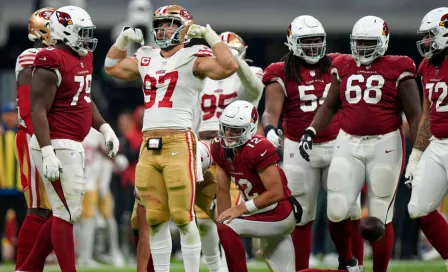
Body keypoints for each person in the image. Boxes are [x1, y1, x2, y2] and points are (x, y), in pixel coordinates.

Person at [104, 4, 238, 271]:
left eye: (171, 24)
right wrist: (123, 39)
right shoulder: (146, 56)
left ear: (185, 29)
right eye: (161, 24)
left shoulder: (194, 55)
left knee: (183, 216)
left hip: (180, 142)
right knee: (155, 219)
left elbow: (229, 65)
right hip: (148, 145)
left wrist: (210, 35)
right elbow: (112, 67)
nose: (163, 29)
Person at [298, 16, 422, 272]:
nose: (363, 48)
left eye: (369, 42)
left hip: (385, 143)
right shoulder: (342, 64)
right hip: (347, 141)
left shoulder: (400, 67)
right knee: (336, 208)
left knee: (379, 216)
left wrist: (419, 151)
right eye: (359, 42)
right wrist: (311, 129)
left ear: (383, 42)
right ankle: (350, 263)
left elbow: (415, 115)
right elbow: (330, 104)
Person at [17, 6, 120, 272]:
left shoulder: (84, 57)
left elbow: (84, 99)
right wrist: (47, 150)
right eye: (81, 33)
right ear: (64, 31)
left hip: (73, 142)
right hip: (57, 142)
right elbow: (37, 108)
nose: (86, 38)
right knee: (67, 213)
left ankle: (27, 268)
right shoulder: (49, 59)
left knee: (65, 210)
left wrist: (105, 127)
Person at [262, 15, 363, 270]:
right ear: (292, 42)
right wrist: (270, 129)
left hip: (338, 143)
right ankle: (301, 269)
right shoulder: (279, 71)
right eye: (307, 42)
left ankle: (353, 264)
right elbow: (270, 111)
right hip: (299, 148)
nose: (313, 47)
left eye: (317, 41)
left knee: (349, 210)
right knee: (302, 215)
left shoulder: (338, 64)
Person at [195, 31, 264, 272]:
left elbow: (255, 89)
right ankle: (218, 269)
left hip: (235, 149)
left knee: (228, 217)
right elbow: (191, 114)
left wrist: (237, 62)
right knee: (202, 220)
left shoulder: (249, 74)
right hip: (202, 147)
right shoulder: (202, 75)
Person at [212, 100, 299, 272]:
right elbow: (222, 189)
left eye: (235, 129)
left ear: (249, 129)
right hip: (258, 214)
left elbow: (276, 193)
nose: (228, 133)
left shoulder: (258, 147)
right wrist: (223, 220)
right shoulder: (219, 147)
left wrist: (241, 209)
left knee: (227, 226)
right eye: (226, 127)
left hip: (278, 212)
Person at [406, 7, 448, 270]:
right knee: (418, 208)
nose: (426, 42)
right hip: (439, 143)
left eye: (431, 36)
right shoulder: (426, 65)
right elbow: (427, 115)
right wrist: (416, 155)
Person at [13, 7, 55, 269]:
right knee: (39, 208)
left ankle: (30, 266)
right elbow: (29, 104)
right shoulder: (32, 55)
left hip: (53, 137)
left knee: (61, 210)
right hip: (35, 135)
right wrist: (41, 141)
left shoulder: (58, 56)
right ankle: (23, 267)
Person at [0, 103, 27, 265]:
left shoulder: (24, 133)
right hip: (1, 189)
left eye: (13, 114)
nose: (10, 117)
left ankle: (21, 257)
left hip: (20, 188)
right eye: (7, 114)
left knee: (23, 225)